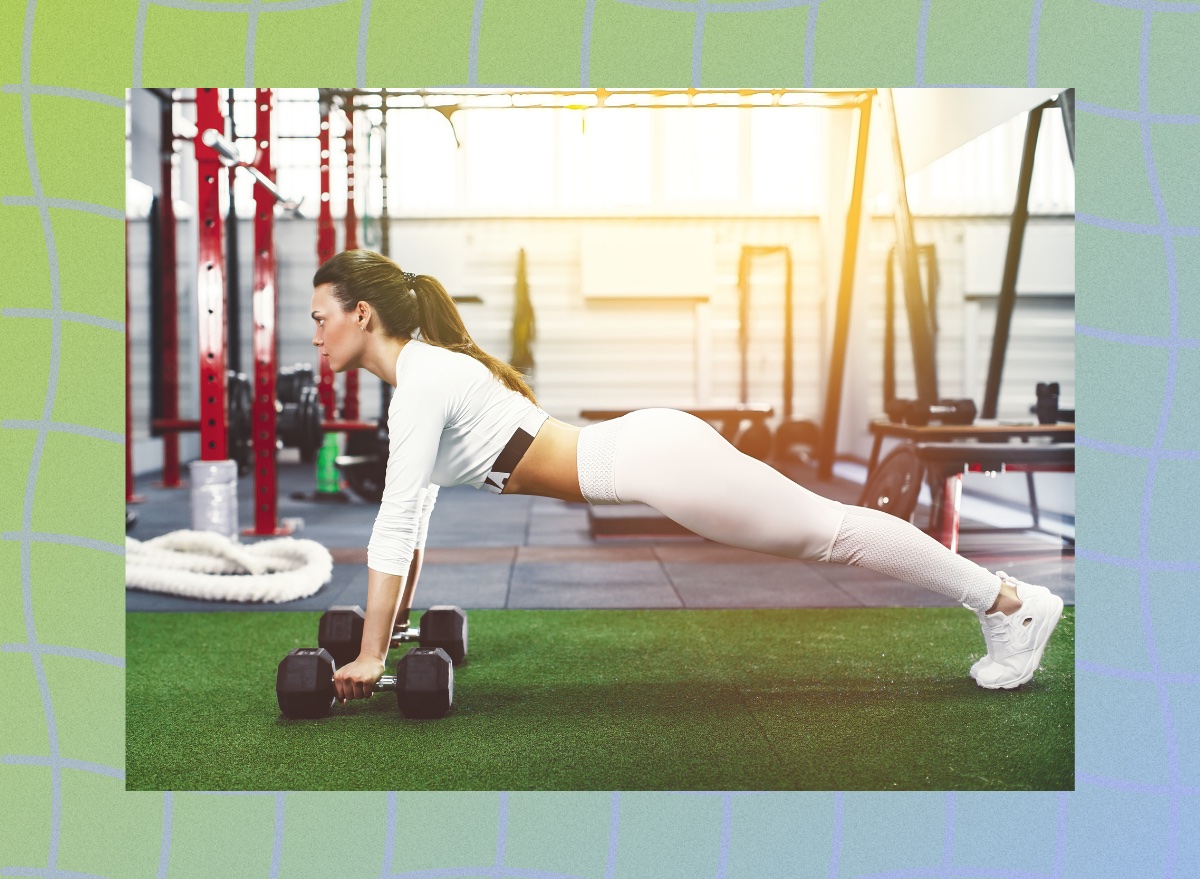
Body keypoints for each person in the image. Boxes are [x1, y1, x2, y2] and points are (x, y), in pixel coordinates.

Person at [311, 249, 1064, 704]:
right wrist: (390, 632)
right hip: (646, 453)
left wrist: (374, 654)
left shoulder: (423, 382)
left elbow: (397, 522)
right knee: (824, 531)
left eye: (320, 317)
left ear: (364, 315)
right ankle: (1005, 602)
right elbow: (411, 525)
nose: (315, 333)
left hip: (650, 462)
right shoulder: (423, 378)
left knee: (827, 534)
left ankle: (1009, 601)